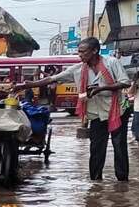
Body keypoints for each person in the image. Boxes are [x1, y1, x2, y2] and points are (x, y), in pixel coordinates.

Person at [13, 37, 131, 181]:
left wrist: (102, 88)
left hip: (117, 111)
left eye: (83, 52)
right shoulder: (78, 69)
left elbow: (125, 83)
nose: (80, 55)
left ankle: (122, 182)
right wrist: (27, 85)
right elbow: (52, 79)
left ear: (94, 51)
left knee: (119, 146)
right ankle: (95, 182)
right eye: (78, 52)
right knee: (96, 149)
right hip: (96, 115)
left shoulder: (112, 62)